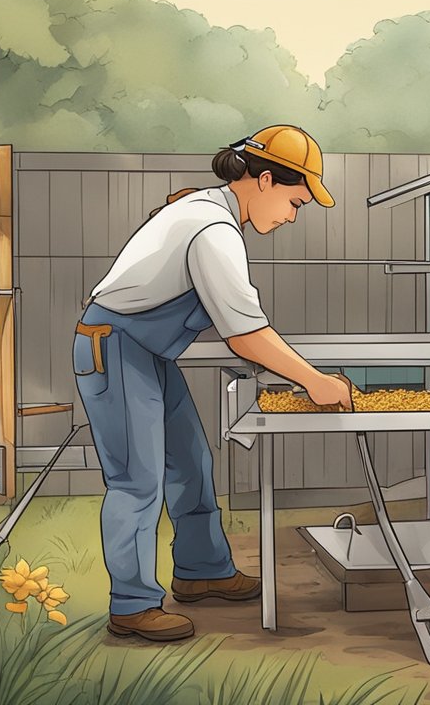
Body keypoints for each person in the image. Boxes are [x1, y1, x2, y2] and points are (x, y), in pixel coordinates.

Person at [73, 125, 353, 642]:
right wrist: (315, 381)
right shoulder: (214, 230)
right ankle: (132, 605)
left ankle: (203, 572)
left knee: (190, 461)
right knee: (137, 479)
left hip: (146, 350)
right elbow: (246, 335)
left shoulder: (209, 210)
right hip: (115, 346)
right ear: (265, 180)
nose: (293, 216)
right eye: (295, 202)